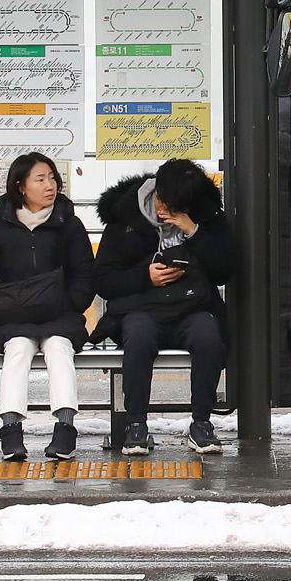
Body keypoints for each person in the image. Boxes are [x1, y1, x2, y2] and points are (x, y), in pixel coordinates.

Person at [92, 159, 232, 456]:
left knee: (208, 334)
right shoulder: (124, 216)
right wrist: (146, 277)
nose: (163, 210)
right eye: (161, 201)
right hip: (141, 309)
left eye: (175, 207)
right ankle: (136, 424)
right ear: (154, 190)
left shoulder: (205, 216)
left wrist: (193, 231)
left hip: (191, 307)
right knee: (139, 337)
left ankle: (201, 422)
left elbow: (225, 270)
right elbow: (102, 280)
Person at [0, 153, 93, 462]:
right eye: (40, 179)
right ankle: (10, 431)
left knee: (59, 348)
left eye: (52, 178)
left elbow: (85, 275)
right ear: (21, 186)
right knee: (19, 350)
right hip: (15, 318)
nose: (49, 185)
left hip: (60, 316)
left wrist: (69, 304)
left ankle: (65, 428)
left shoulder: (69, 224)